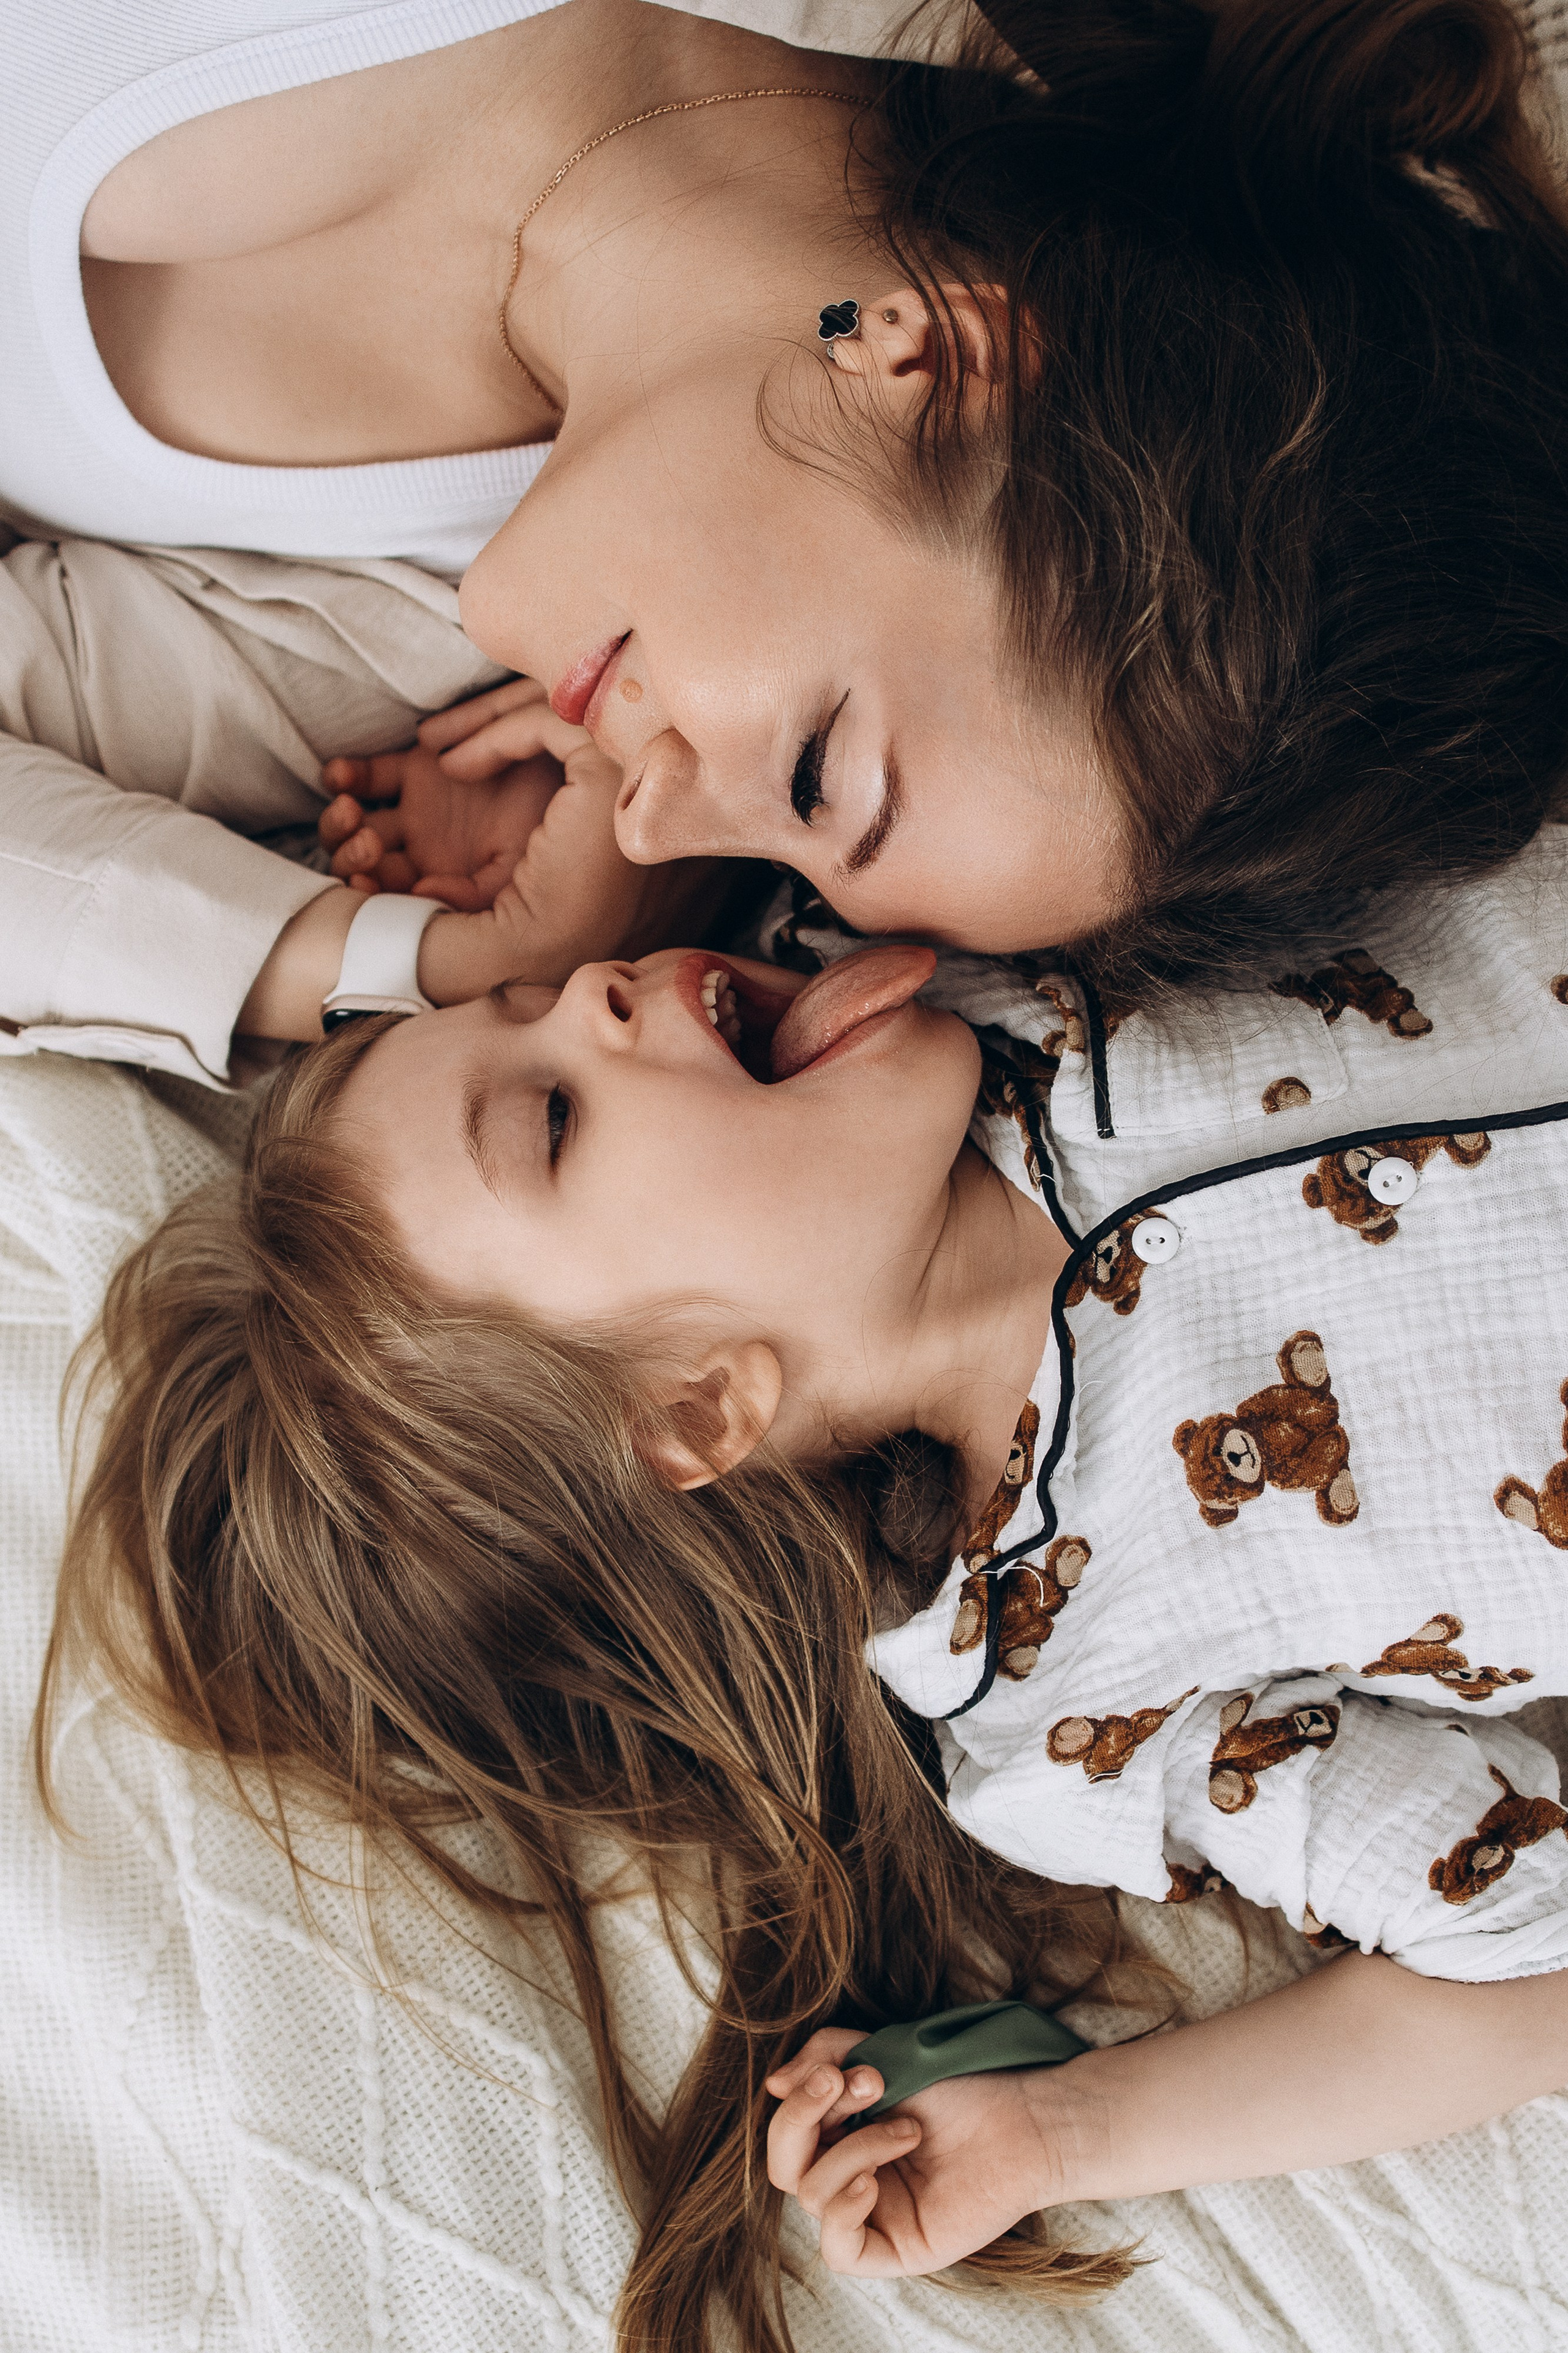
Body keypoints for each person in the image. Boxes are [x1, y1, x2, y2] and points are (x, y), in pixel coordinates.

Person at [43, 807, 1568, 2337]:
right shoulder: (1076, 1686)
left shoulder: (959, 900)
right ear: (702, 1404)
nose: (594, 989)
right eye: (555, 1120)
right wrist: (1068, 2130)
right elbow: (1525, 1949)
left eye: (526, 997)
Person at [6, 0, 1568, 1057]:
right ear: (928, 364)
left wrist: (397, 967)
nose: (641, 829)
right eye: (815, 773)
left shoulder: (454, 606)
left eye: (782, 856)